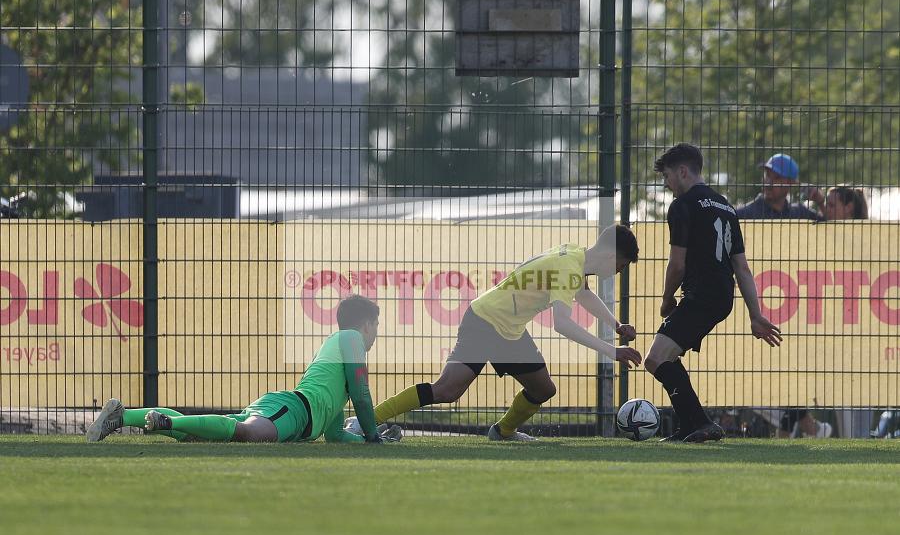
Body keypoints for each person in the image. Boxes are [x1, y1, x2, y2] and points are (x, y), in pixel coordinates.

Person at [349, 225, 643, 442]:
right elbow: (562, 324)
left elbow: (584, 293)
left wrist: (616, 324)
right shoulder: (569, 266)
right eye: (621, 265)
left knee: (543, 389)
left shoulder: (575, 257)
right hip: (484, 321)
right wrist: (612, 350)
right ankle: (366, 421)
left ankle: (503, 432)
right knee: (447, 390)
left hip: (509, 330)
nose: (618, 271)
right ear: (610, 255)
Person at [87, 295, 400, 444]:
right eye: (376, 326)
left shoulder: (337, 353)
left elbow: (333, 435)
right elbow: (362, 394)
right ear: (366, 324)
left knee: (205, 434)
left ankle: (123, 416)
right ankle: (161, 420)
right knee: (246, 433)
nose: (376, 333)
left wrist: (372, 440)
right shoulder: (352, 338)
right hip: (292, 410)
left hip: (288, 409)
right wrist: (372, 433)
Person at [645, 143, 782, 443]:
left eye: (667, 176)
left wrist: (667, 300)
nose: (666, 184)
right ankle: (691, 425)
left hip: (700, 295)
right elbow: (742, 269)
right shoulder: (725, 206)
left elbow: (677, 264)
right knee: (667, 357)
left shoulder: (681, 206)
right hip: (722, 297)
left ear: (682, 171)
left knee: (655, 360)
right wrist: (755, 315)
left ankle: (701, 423)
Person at [735, 154, 821, 220]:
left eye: (777, 178)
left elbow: (830, 227)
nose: (768, 182)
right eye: (767, 175)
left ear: (791, 183)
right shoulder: (743, 214)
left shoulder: (800, 213)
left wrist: (820, 202)